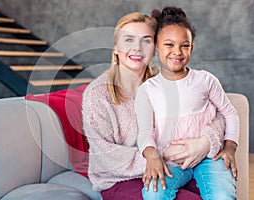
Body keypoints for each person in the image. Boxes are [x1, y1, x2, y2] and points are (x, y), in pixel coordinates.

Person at [82, 11, 231, 200]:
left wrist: (205, 142)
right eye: (129, 40)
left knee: (220, 191)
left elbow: (215, 113)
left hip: (176, 167)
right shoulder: (98, 94)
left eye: (146, 40)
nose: (137, 48)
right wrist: (161, 154)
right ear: (116, 47)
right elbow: (105, 157)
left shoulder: (165, 81)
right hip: (120, 179)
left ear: (156, 47)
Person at [135, 7, 239, 200]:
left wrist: (230, 148)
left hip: (209, 157)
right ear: (156, 47)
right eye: (169, 44)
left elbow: (230, 113)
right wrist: (151, 156)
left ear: (191, 48)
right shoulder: (147, 90)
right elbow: (144, 133)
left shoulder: (205, 80)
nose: (177, 51)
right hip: (171, 161)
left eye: (184, 45)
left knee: (223, 195)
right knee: (152, 193)